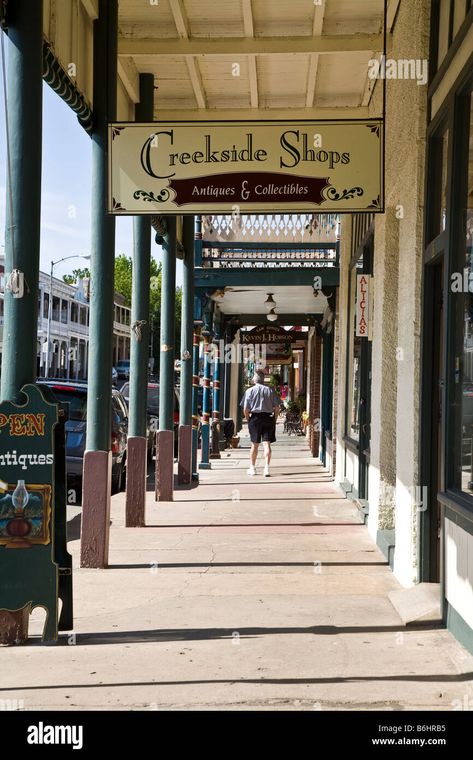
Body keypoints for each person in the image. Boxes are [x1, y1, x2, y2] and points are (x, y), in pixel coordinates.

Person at [240, 370, 280, 477]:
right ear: (263, 380)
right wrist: (274, 419)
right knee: (267, 444)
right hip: (268, 418)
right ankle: (266, 468)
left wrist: (248, 419)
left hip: (255, 419)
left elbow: (245, 409)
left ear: (254, 380)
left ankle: (252, 468)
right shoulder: (270, 391)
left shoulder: (249, 391)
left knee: (254, 444)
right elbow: (277, 408)